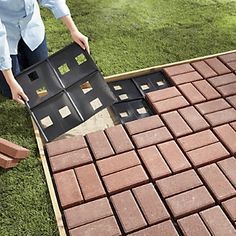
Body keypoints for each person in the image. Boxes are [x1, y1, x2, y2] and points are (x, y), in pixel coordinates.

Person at [0, 0, 89, 104]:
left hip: (32, 26)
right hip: (6, 32)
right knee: (9, 90)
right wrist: (11, 81)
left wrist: (74, 30)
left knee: (40, 74)